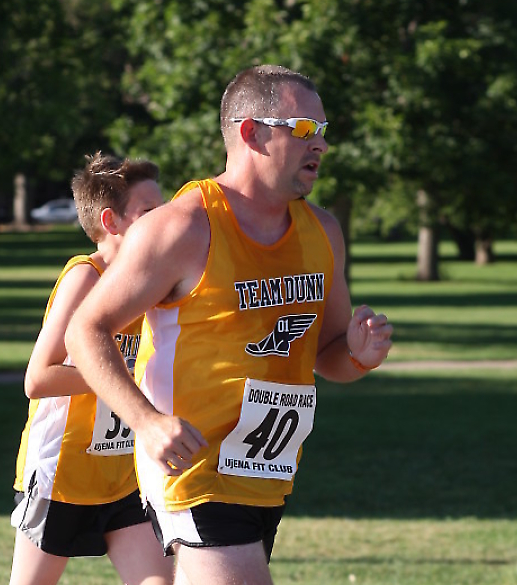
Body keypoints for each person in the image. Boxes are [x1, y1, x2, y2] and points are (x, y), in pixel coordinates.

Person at [65, 66, 393, 585]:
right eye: (304, 128)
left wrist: (359, 355)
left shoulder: (323, 231)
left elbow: (329, 354)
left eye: (323, 131)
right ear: (251, 133)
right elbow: (85, 330)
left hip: (265, 473)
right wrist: (145, 421)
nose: (321, 145)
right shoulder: (181, 226)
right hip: (191, 472)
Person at [9, 152, 173, 585]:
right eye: (149, 212)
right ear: (110, 221)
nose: (163, 221)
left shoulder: (154, 283)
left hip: (124, 476)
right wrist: (120, 379)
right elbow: (37, 379)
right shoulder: (86, 278)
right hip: (63, 475)